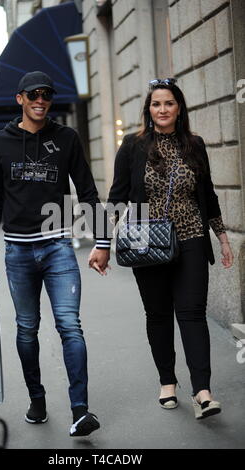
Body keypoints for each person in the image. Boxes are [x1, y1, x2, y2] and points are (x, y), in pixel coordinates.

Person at [89, 78, 234, 420]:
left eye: (169, 103)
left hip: (191, 239)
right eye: (156, 104)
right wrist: (102, 243)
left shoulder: (195, 145)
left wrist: (223, 239)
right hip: (145, 240)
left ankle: (202, 391)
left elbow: (208, 195)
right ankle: (167, 381)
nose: (163, 109)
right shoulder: (133, 146)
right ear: (149, 110)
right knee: (157, 313)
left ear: (179, 108)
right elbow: (118, 196)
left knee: (192, 312)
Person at [0, 71, 109, 436]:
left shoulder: (66, 137)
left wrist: (102, 242)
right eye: (34, 94)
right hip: (17, 252)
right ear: (20, 98)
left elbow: (87, 190)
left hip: (58, 247)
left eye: (47, 94)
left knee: (70, 325)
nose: (41, 99)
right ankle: (37, 399)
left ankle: (80, 410)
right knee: (26, 329)